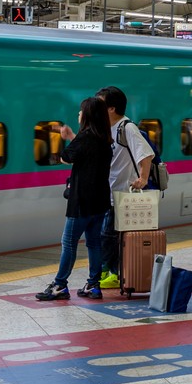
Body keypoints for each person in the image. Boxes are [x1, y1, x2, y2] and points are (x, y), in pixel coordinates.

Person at [36, 97, 113, 301]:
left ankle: (60, 285)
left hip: (82, 200)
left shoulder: (85, 137)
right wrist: (73, 136)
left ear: (88, 115)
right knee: (94, 243)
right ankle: (93, 285)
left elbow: (66, 157)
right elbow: (84, 153)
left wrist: (69, 137)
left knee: (69, 242)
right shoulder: (105, 138)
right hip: (100, 200)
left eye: (81, 111)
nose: (79, 114)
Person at [96, 86, 153, 288]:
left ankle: (113, 273)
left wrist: (143, 178)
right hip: (107, 192)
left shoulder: (127, 128)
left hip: (122, 194)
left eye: (100, 104)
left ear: (111, 108)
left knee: (109, 235)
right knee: (106, 235)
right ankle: (105, 271)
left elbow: (146, 154)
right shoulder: (106, 128)